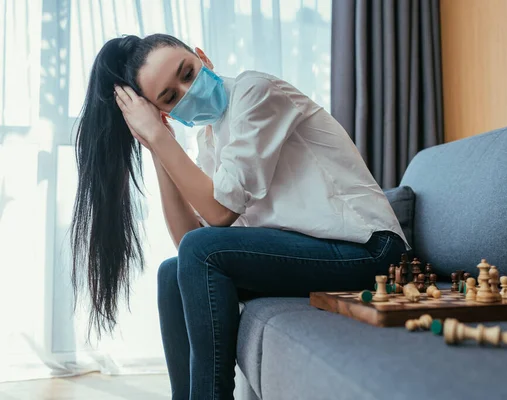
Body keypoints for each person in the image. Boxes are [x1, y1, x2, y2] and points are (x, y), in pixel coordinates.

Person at [70, 33, 409, 400]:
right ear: (164, 112)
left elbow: (218, 215)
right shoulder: (210, 141)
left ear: (203, 57)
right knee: (172, 273)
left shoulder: (255, 92)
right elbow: (187, 243)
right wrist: (156, 145)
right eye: (171, 97)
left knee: (202, 252)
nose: (188, 90)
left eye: (188, 72)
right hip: (318, 254)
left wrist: (159, 136)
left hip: (371, 250)